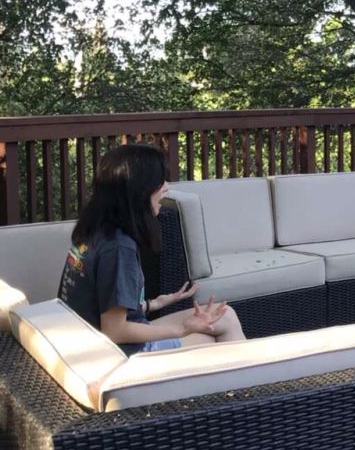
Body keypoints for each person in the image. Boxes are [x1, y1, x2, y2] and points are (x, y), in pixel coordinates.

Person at [59, 144, 245, 354]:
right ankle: (247, 374)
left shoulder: (95, 229)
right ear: (139, 190)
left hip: (94, 344)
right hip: (117, 354)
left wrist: (154, 304)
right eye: (160, 181)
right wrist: (182, 330)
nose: (166, 187)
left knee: (225, 316)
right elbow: (114, 331)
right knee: (213, 337)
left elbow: (99, 308)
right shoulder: (119, 248)